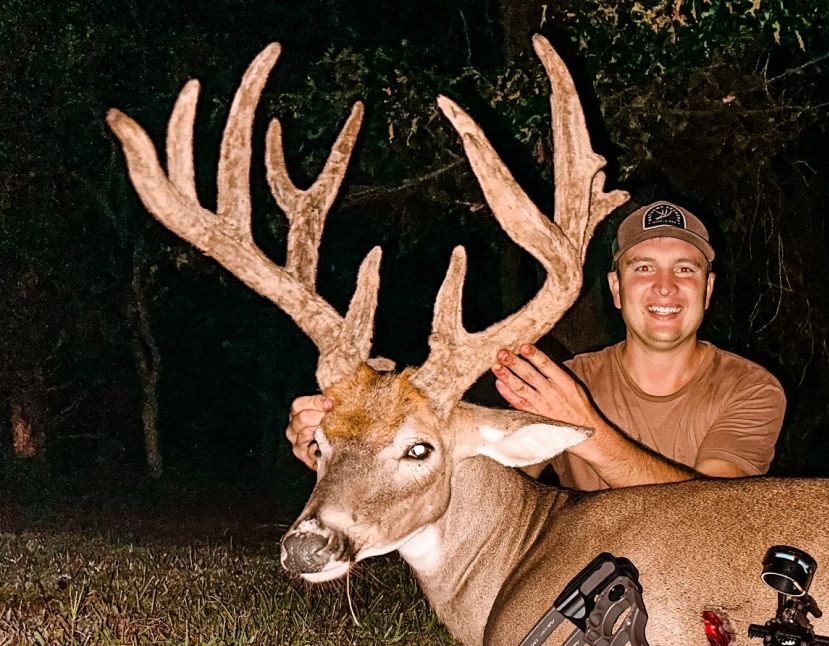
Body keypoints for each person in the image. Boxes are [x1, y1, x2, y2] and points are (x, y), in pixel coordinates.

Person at [286, 201, 786, 490]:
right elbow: (472, 486)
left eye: (685, 270)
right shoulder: (566, 384)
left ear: (708, 289)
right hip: (591, 585)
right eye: (642, 269)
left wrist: (585, 430)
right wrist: (343, 451)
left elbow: (715, 514)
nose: (664, 287)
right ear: (615, 288)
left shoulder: (750, 389)